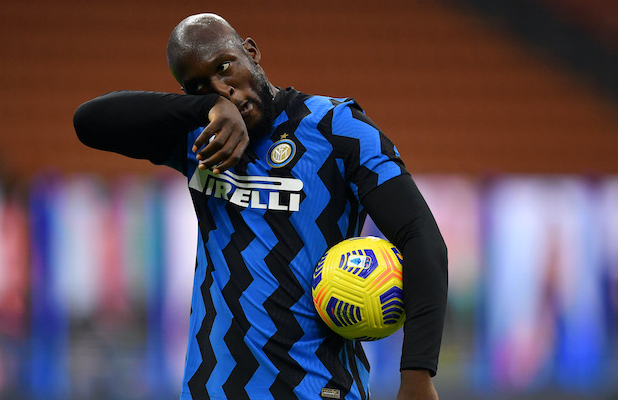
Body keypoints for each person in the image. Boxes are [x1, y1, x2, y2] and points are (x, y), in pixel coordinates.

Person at [73, 13, 447, 400]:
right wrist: (206, 108)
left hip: (318, 388)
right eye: (199, 86)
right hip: (211, 390)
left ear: (251, 52)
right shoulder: (199, 141)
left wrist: (417, 375)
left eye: (224, 68)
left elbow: (421, 236)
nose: (224, 90)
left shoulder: (338, 128)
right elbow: (89, 121)